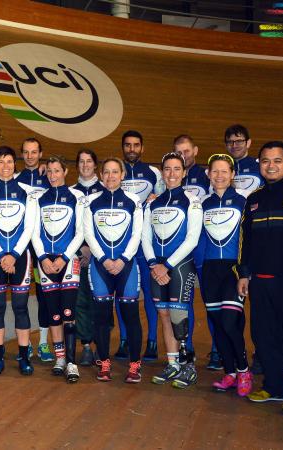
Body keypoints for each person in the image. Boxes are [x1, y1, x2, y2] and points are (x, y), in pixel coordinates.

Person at [237, 141, 283, 414]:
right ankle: (275, 387)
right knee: (264, 336)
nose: (271, 165)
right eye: (266, 161)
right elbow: (246, 240)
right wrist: (244, 273)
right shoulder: (253, 199)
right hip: (260, 281)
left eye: (277, 160)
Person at [143, 152, 202, 389]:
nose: (172, 174)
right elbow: (145, 237)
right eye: (167, 169)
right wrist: (153, 264)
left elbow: (192, 239)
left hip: (179, 267)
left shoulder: (192, 201)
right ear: (162, 172)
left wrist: (165, 265)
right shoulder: (153, 203)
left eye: (177, 169)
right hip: (156, 267)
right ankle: (173, 364)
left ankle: (189, 366)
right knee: (164, 315)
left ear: (184, 172)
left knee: (179, 316)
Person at [83, 158, 143, 383]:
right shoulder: (91, 201)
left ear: (123, 174)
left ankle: (135, 364)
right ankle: (104, 362)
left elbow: (137, 234)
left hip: (126, 266)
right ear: (100, 175)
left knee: (130, 317)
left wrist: (122, 259)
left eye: (115, 172)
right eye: (106, 172)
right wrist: (104, 259)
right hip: (101, 267)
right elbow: (88, 233)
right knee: (101, 317)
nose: (110, 176)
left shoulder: (133, 201)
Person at [0, 145, 37, 376]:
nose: (5, 166)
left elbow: (29, 227)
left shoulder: (27, 191)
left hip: (21, 257)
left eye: (9, 162)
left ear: (15, 164)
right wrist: (3, 256)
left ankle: (23, 357)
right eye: (1, 162)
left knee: (21, 307)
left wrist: (14, 255)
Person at [197, 154, 253, 396]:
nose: (219, 176)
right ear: (208, 175)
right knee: (218, 325)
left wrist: (245, 272)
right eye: (214, 171)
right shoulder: (203, 204)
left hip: (233, 269)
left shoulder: (244, 202)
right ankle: (229, 373)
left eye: (224, 171)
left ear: (232, 175)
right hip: (210, 270)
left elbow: (249, 240)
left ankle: (243, 370)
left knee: (231, 323)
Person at [31, 156, 85, 382]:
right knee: (53, 313)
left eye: (57, 171)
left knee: (68, 313)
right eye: (50, 172)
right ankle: (60, 358)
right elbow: (34, 231)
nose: (53, 176)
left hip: (68, 261)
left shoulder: (77, 197)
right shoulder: (39, 198)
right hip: (45, 262)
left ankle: (72, 362)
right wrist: (42, 258)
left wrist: (64, 257)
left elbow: (80, 231)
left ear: (65, 172)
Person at [174, 134, 219, 371]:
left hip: (202, 247)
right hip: (180, 250)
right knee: (184, 302)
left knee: (211, 300)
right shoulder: (169, 178)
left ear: (195, 150)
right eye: (178, 152)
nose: (183, 156)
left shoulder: (207, 176)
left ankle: (216, 349)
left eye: (186, 151)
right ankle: (186, 347)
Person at [119, 130, 164, 362]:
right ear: (123, 148)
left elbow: (165, 200)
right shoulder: (116, 171)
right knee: (123, 295)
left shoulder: (154, 173)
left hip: (146, 247)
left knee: (149, 295)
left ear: (142, 148)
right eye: (128, 145)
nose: (132, 149)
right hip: (123, 246)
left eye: (136, 145)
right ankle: (124, 340)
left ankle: (153, 341)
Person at [16, 137, 53, 362]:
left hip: (42, 248)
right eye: (26, 152)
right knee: (21, 299)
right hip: (22, 248)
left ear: (40, 154)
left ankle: (43, 343)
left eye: (34, 152)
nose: (30, 156)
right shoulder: (17, 180)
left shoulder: (48, 178)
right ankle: (25, 342)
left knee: (43, 296)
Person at [71, 149, 103, 367]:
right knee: (81, 301)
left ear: (95, 164)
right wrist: (81, 248)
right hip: (78, 255)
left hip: (101, 255)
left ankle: (102, 347)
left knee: (101, 302)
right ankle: (85, 347)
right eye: (81, 162)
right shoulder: (71, 192)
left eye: (89, 161)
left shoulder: (105, 190)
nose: (85, 165)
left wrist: (93, 248)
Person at [224, 124, 264, 192]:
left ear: (248, 143)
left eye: (239, 141)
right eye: (230, 142)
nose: (234, 146)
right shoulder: (222, 169)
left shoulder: (260, 165)